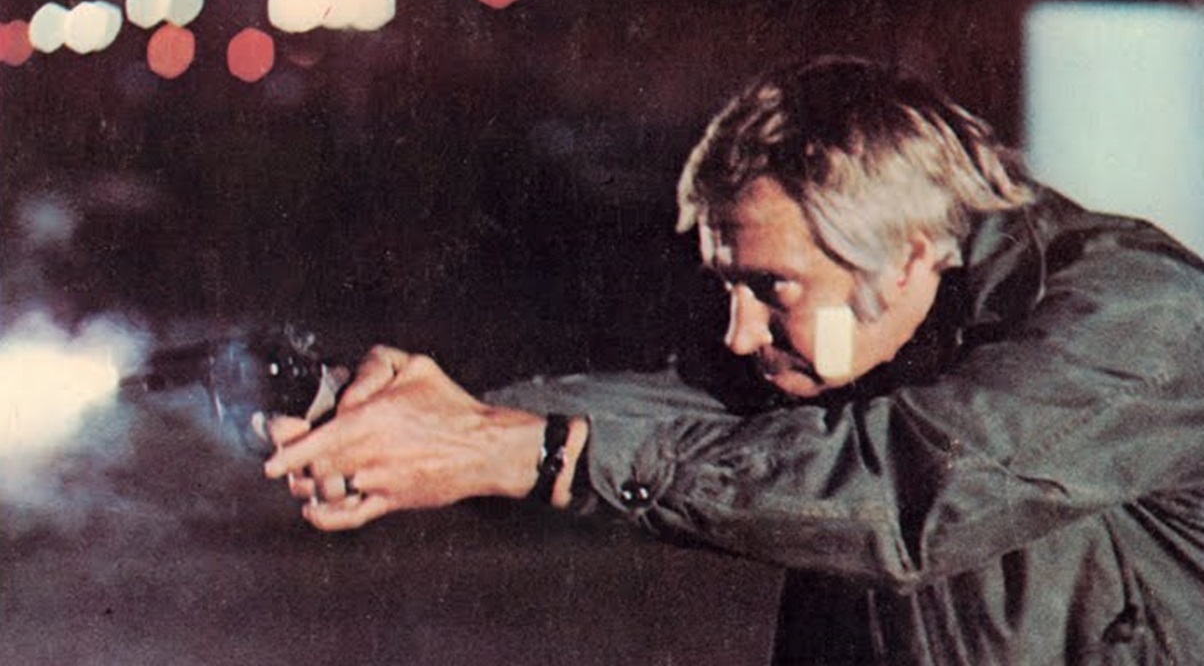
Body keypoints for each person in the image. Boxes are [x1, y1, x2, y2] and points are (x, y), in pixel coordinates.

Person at [263, 56, 1204, 664]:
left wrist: (526, 451)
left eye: (772, 288)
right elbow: (676, 410)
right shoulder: (873, 328)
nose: (739, 333)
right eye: (729, 287)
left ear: (909, 253)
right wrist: (424, 417)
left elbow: (911, 492)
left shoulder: (1138, 314)